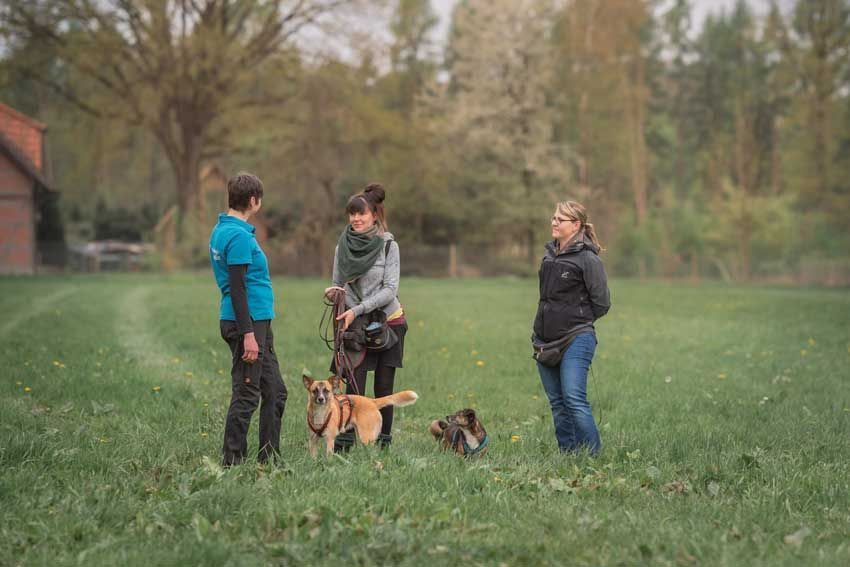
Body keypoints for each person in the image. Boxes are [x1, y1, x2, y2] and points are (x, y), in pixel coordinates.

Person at [209, 172, 287, 466]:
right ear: (254, 201)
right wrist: (248, 334)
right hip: (247, 323)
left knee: (276, 392)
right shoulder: (238, 236)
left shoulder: (222, 230)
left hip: (257, 322)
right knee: (247, 392)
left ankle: (269, 458)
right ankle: (232, 459)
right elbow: (238, 288)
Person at [324, 183, 407, 450]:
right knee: (353, 385)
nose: (356, 219)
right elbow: (339, 283)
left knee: (384, 387)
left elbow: (390, 289)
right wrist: (334, 293)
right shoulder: (342, 248)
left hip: (388, 322)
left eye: (362, 214)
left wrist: (357, 309)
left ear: (374, 215)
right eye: (352, 214)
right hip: (353, 324)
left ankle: (383, 444)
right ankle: (344, 443)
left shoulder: (387, 246)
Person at [532, 200, 610, 455]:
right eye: (553, 218)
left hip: (576, 338)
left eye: (560, 219)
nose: (553, 222)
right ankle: (569, 454)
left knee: (574, 399)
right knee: (557, 402)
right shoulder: (549, 254)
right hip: (544, 340)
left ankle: (593, 457)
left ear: (576, 225)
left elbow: (602, 303)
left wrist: (575, 321)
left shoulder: (588, 259)